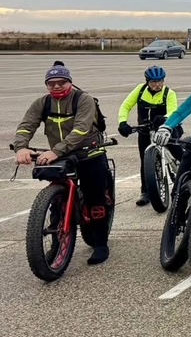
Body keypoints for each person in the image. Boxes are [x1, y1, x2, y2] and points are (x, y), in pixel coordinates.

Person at [11, 64, 114, 265]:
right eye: (51, 84)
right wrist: (21, 148)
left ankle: (101, 243)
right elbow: (25, 127)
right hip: (59, 154)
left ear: (70, 82)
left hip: (88, 152)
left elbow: (81, 130)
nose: (56, 86)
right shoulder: (42, 103)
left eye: (61, 82)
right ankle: (57, 243)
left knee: (96, 199)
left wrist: (56, 151)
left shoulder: (83, 99)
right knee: (57, 203)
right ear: (47, 86)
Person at [116, 65, 179, 205]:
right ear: (147, 82)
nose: (157, 85)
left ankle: (184, 180)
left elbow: (173, 111)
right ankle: (146, 192)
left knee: (178, 153)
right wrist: (122, 123)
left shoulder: (169, 93)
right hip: (144, 130)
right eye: (153, 82)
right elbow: (125, 106)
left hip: (166, 129)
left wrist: (165, 118)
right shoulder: (140, 90)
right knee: (145, 160)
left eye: (160, 81)